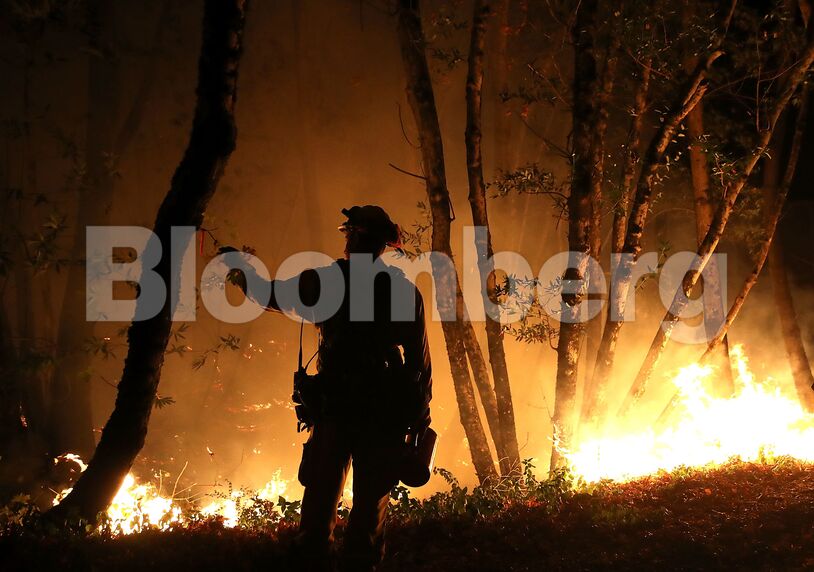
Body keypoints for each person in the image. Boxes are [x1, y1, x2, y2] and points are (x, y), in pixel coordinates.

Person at [222, 205, 432, 571]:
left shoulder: (325, 283)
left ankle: (314, 563)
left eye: (349, 234)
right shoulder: (403, 291)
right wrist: (419, 416)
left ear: (352, 238)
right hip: (382, 418)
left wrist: (239, 271)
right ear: (384, 246)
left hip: (335, 410)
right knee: (368, 515)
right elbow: (419, 364)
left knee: (319, 509)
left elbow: (270, 295)